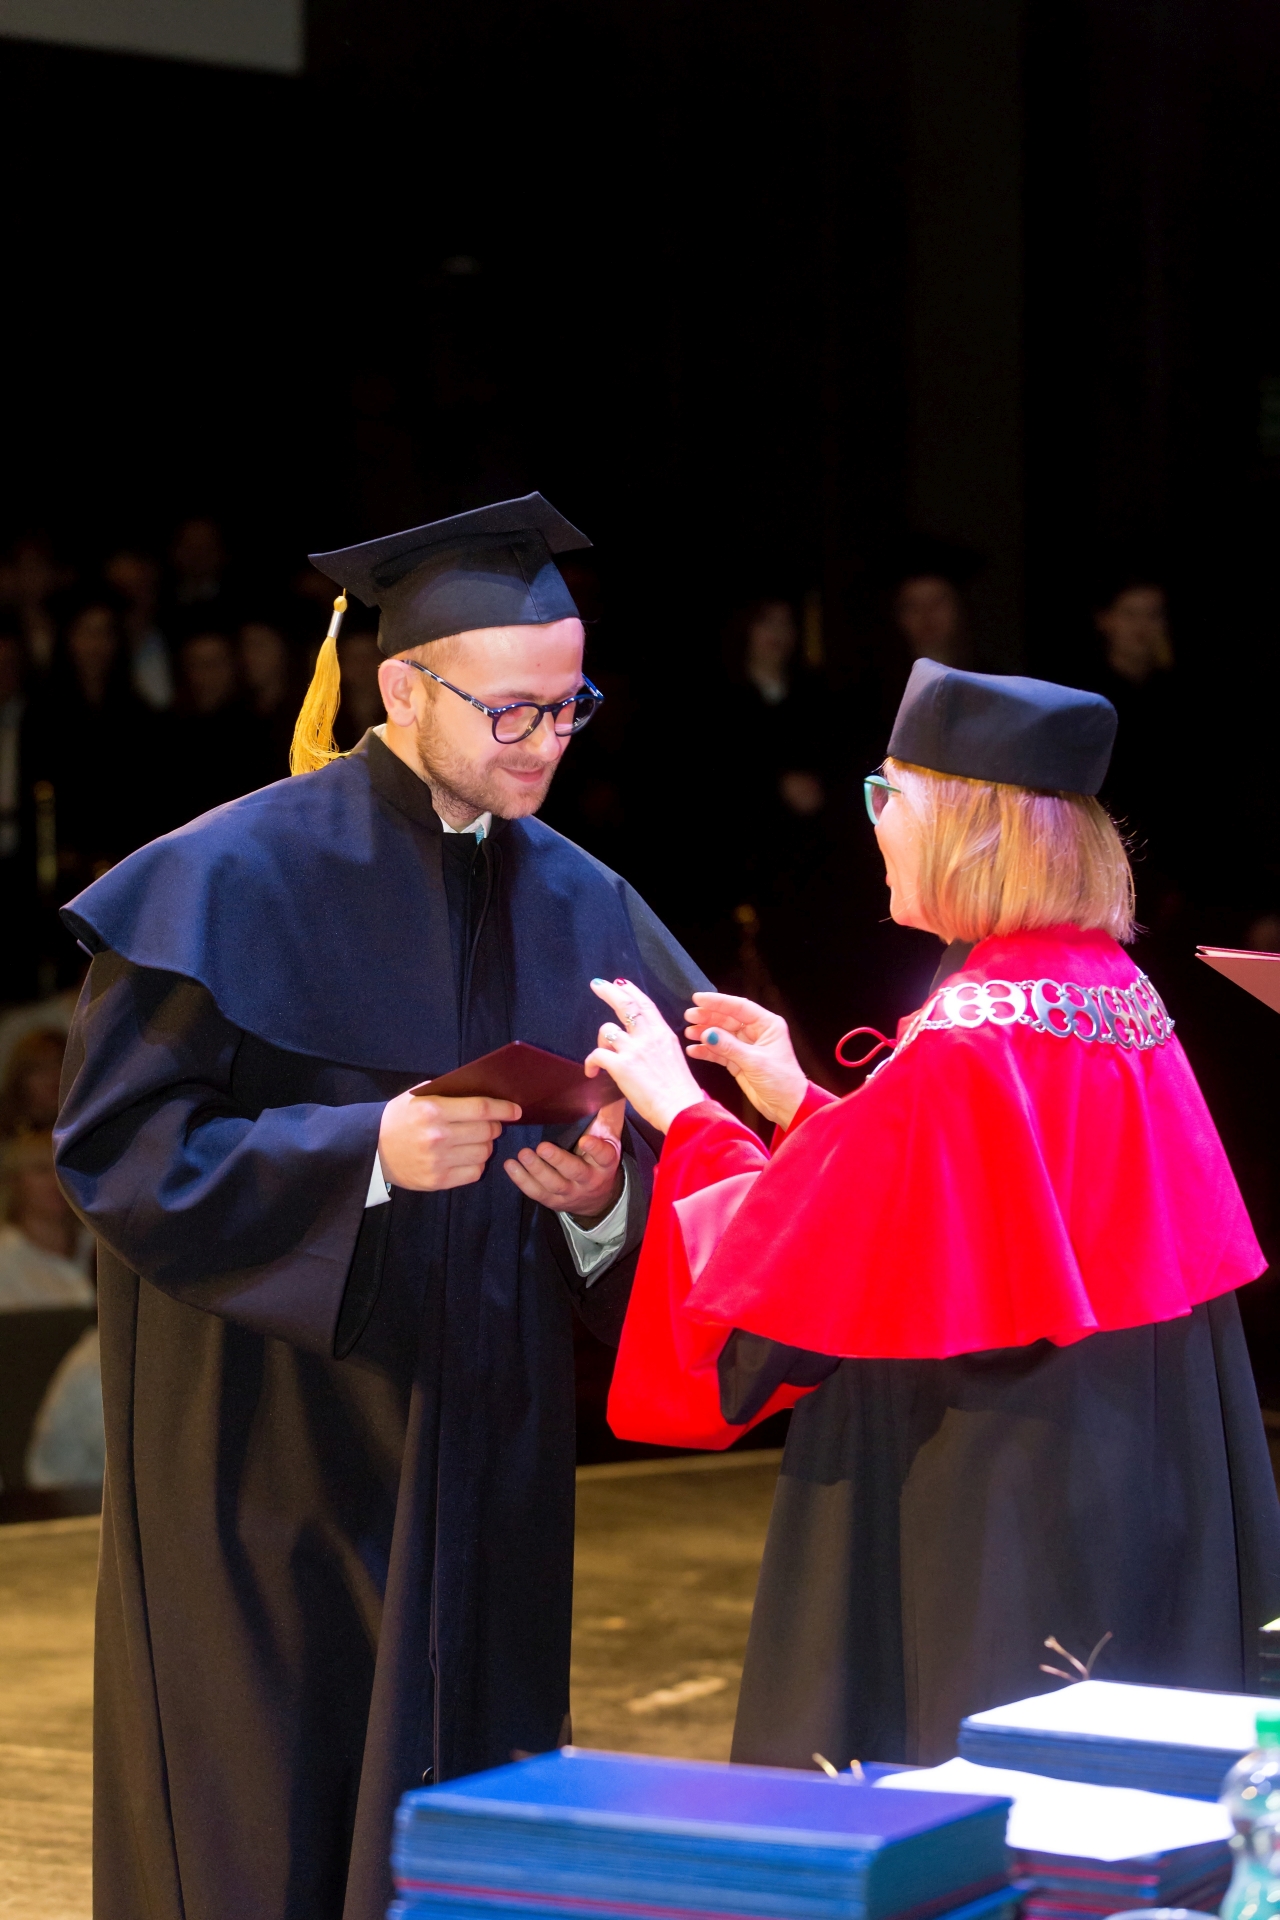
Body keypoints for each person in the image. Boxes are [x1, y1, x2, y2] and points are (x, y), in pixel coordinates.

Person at [53, 492, 708, 1920]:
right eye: (509, 711)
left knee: (468, 1809)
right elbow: (118, 1151)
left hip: (487, 1441)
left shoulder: (587, 900)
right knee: (270, 1809)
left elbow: (673, 1164)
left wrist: (600, 1202)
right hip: (270, 1450)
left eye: (569, 708)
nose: (544, 743)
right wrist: (366, 1150)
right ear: (403, 689)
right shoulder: (223, 877)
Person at [588, 656, 1280, 1771]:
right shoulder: (1105, 989)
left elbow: (821, 1256)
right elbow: (943, 1194)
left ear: (967, 825)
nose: (875, 823)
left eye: (888, 795)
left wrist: (685, 1113)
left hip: (994, 1487)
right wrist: (795, 1098)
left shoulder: (973, 1032)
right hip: (1121, 1471)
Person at [0, 1131, 94, 1309]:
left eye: (63, 1169)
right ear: (14, 1182)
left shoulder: (101, 1245)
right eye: (41, 1170)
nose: (56, 1181)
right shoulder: (5, 1258)